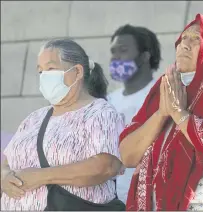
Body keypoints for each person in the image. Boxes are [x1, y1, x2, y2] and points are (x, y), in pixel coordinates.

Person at [119, 14, 203, 211]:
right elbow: (127, 155)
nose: (185, 45)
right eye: (184, 38)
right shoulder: (164, 89)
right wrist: (162, 113)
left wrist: (179, 113)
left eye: (196, 39)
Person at [1, 39, 125, 210]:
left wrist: (42, 176)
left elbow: (106, 166)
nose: (44, 76)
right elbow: (7, 163)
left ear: (77, 71)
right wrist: (4, 177)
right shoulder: (34, 118)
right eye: (40, 71)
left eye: (51, 68)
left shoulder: (101, 112)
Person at [107, 24, 161, 203]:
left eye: (123, 50)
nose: (115, 57)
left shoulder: (162, 96)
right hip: (112, 200)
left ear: (145, 56)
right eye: (113, 51)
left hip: (149, 199)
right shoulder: (107, 101)